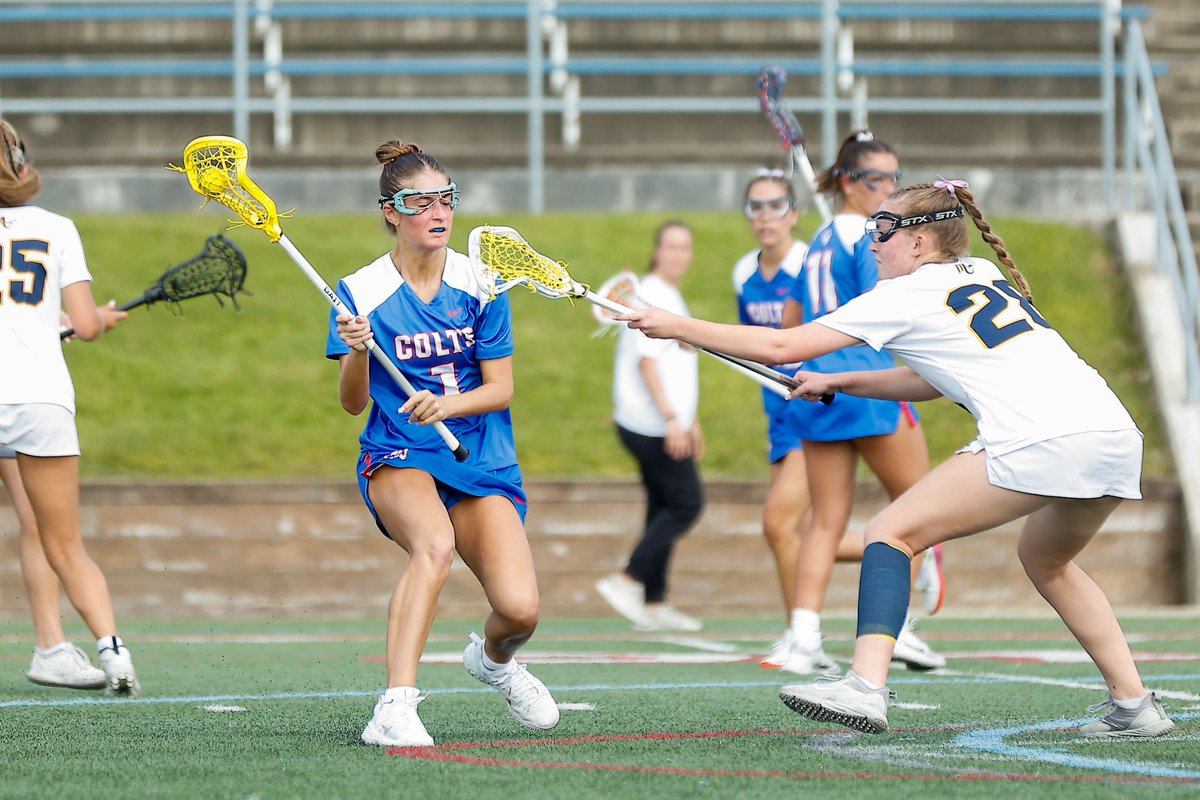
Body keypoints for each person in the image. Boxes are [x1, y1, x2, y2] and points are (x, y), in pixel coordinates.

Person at [620, 178, 1175, 738]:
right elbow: (931, 379)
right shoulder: (981, 274)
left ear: (920, 242)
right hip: (1112, 436)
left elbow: (782, 346)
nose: (872, 243)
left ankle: (865, 686)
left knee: (889, 531)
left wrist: (676, 326)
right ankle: (1135, 705)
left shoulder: (903, 295)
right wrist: (842, 381)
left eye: (882, 230)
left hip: (1041, 438)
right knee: (1046, 560)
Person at [329, 140, 559, 748]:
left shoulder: (481, 283)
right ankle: (395, 706)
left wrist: (447, 405)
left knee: (520, 610)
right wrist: (357, 351)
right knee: (434, 546)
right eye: (420, 201)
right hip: (399, 450)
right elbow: (352, 402)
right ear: (390, 211)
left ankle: (495, 662)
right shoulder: (360, 290)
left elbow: (501, 389)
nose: (438, 212)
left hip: (478, 454)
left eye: (447, 199)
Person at [735, 165, 942, 674]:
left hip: (817, 382)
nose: (889, 188)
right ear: (850, 182)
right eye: (878, 178)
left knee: (824, 522)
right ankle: (900, 627)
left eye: (894, 177)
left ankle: (804, 636)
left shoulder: (818, 244)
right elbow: (889, 307)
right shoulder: (873, 239)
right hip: (867, 383)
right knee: (918, 511)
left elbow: (791, 323)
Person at [0, 118, 137, 695]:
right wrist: (93, 321)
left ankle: (53, 648)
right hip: (38, 397)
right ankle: (112, 652)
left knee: (37, 527)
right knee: (61, 539)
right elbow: (83, 324)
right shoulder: (56, 227)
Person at [596, 221, 705, 633]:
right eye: (671, 246)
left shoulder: (670, 295)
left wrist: (691, 421)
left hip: (664, 422)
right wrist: (673, 420)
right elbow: (647, 363)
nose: (678, 254)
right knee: (687, 503)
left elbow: (678, 364)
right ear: (657, 251)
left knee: (663, 505)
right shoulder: (652, 294)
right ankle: (626, 580)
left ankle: (655, 601)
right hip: (650, 424)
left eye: (685, 247)